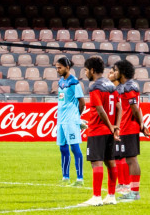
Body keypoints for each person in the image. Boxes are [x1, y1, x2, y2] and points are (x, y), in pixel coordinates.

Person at [79, 55, 120, 206]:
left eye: (85, 70)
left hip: (97, 129)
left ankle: (96, 197)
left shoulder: (95, 86)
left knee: (96, 163)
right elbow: (118, 107)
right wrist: (115, 127)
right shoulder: (111, 85)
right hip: (109, 130)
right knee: (110, 162)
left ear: (92, 70)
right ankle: (111, 196)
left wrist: (110, 126)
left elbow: (100, 109)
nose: (85, 73)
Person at [112, 59, 142, 201]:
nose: (114, 73)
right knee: (129, 160)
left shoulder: (128, 87)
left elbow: (135, 108)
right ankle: (132, 190)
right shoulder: (128, 86)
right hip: (126, 128)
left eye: (116, 70)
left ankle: (135, 193)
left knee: (131, 160)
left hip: (129, 128)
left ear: (122, 72)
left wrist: (141, 125)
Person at [55, 56, 86, 186]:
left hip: (70, 120)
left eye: (59, 67)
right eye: (56, 68)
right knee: (63, 148)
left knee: (74, 147)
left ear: (67, 67)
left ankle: (80, 178)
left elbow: (82, 101)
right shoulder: (61, 81)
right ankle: (65, 177)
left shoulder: (74, 82)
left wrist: (76, 117)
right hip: (61, 120)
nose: (57, 70)